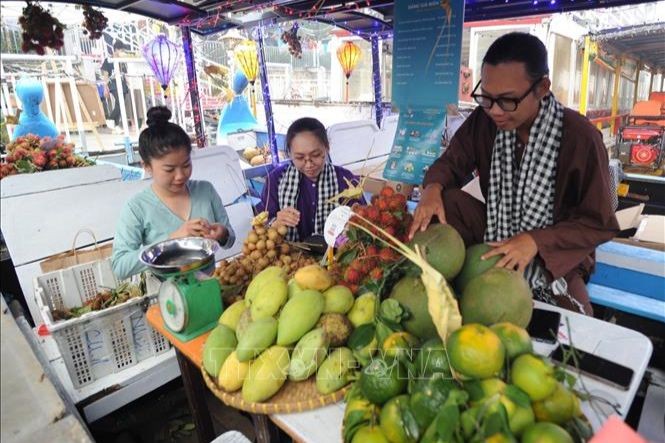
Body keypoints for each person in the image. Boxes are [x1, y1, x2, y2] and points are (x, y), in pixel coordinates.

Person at [408, 32, 619, 315]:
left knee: (574, 323)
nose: (494, 111)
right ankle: (445, 282)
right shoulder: (485, 121)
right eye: (486, 98)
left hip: (556, 253)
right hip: (497, 229)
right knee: (447, 200)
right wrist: (432, 189)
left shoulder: (581, 137)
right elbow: (451, 162)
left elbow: (598, 224)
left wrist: (535, 241)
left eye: (507, 100)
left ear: (542, 87)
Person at [112, 106, 235, 279]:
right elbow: (120, 266)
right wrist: (172, 240)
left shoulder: (205, 191)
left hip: (210, 286)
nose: (180, 176)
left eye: (186, 165)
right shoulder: (137, 208)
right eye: (169, 170)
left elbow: (230, 240)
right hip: (166, 295)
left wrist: (222, 234)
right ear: (147, 166)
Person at [259, 117, 365, 242]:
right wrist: (276, 223)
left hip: (336, 256)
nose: (309, 164)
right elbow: (261, 227)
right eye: (299, 157)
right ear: (290, 154)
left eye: (315, 155)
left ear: (327, 148)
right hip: (289, 257)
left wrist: (353, 224)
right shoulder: (276, 179)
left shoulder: (345, 179)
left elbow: (363, 221)